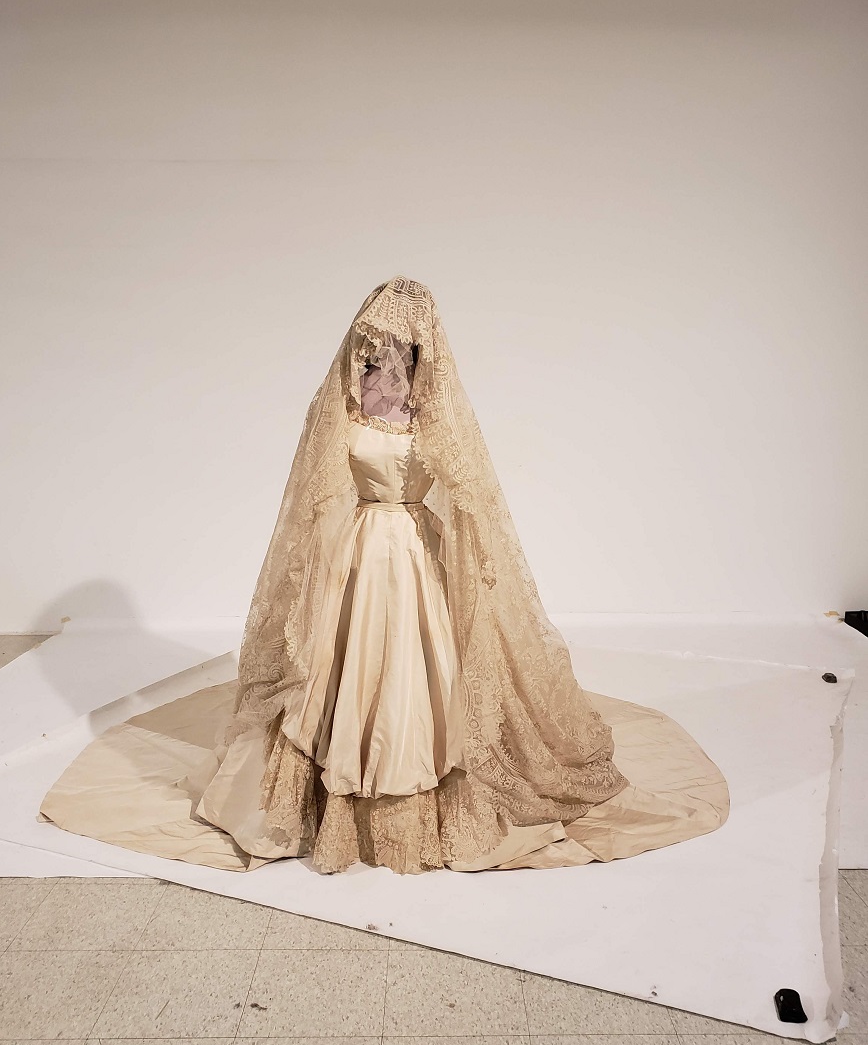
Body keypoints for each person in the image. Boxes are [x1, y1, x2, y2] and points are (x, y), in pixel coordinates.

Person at [40, 276, 729, 873]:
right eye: (376, 341)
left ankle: (420, 791)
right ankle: (335, 793)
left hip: (416, 554)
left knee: (418, 672)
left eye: (398, 342)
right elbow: (310, 496)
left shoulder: (440, 412)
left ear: (422, 344)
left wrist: (477, 562)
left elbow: (475, 498)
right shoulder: (342, 405)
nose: (384, 353)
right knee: (351, 667)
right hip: (361, 551)